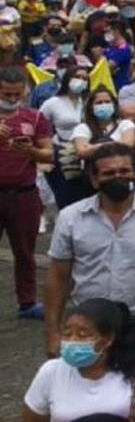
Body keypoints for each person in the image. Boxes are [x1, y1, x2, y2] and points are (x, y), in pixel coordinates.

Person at [46, 142, 135, 350]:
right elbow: (58, 276)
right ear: (94, 179)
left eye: (124, 171)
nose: (118, 177)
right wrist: (53, 332)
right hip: (87, 321)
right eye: (108, 173)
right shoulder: (70, 217)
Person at [21, 298, 135, 422]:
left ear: (108, 339)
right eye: (67, 334)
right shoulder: (51, 371)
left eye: (83, 335)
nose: (72, 341)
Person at [0, 64, 54, 319]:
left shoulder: (34, 117)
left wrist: (30, 151)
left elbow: (48, 153)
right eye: (6, 94)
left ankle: (27, 302)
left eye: (16, 94)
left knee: (25, 252)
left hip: (24, 194)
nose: (11, 99)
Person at [38, 63, 92, 209]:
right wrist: (43, 158)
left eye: (84, 78)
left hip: (88, 152)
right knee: (66, 198)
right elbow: (39, 128)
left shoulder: (89, 102)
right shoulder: (52, 103)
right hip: (61, 155)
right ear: (68, 79)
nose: (81, 80)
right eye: (77, 77)